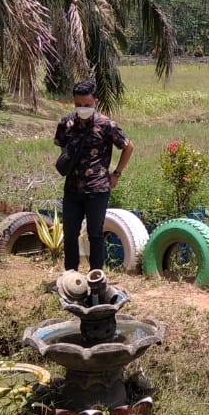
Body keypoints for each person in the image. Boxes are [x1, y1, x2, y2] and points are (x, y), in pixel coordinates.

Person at [54, 79, 132, 272]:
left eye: (87, 105)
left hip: (98, 188)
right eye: (78, 105)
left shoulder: (106, 125)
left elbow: (128, 146)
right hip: (72, 188)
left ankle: (96, 275)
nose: (83, 109)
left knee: (95, 234)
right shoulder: (66, 123)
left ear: (95, 101)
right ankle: (71, 275)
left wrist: (117, 174)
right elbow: (62, 146)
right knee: (70, 233)